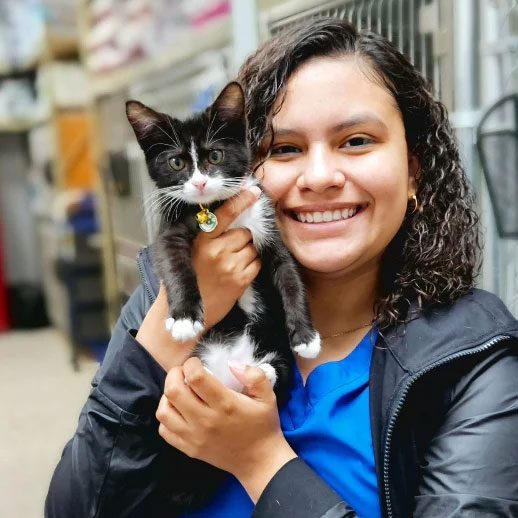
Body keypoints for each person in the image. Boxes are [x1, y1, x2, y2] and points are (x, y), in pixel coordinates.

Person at [45, 18, 518, 518]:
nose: (319, 177)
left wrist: (260, 461)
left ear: (413, 172)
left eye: (357, 140)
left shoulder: (474, 360)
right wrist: (172, 331)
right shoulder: (175, 296)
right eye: (285, 149)